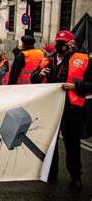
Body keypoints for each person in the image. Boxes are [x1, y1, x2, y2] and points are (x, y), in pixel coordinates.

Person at [31, 30, 92, 189]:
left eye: (63, 43)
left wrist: (76, 86)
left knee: (72, 144)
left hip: (71, 109)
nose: (60, 46)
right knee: (50, 143)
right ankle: (51, 172)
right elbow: (33, 78)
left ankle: (76, 176)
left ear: (71, 44)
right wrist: (39, 74)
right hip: (50, 109)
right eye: (58, 42)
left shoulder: (84, 60)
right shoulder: (48, 59)